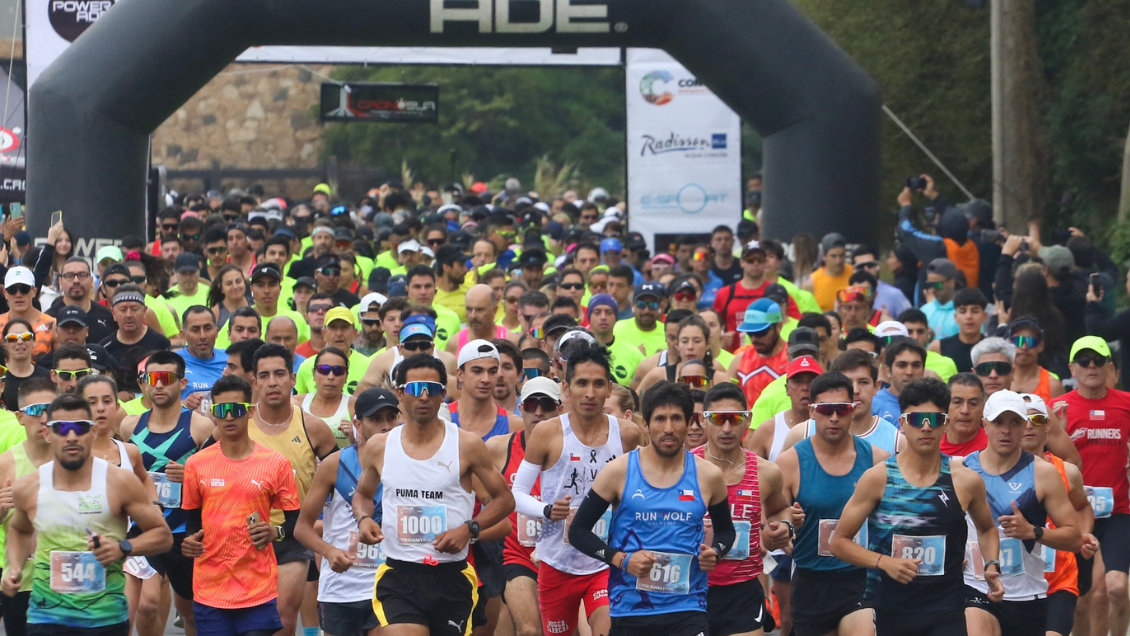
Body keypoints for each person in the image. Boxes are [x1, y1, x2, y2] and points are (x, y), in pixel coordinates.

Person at [350, 353, 516, 636]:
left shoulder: (467, 445)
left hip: (452, 575)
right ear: (400, 394)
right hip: (399, 575)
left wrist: (469, 529)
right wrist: (364, 518)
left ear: (443, 395)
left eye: (433, 388)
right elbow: (363, 495)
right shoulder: (380, 446)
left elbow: (505, 500)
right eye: (416, 388)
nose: (424, 396)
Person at [830, 378, 1005, 636]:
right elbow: (839, 542)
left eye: (934, 420)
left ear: (945, 424)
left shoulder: (965, 480)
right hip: (891, 607)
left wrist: (991, 565)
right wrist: (885, 562)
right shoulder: (878, 478)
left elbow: (988, 528)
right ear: (902, 424)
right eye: (916, 419)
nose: (925, 427)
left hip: (947, 608)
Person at [567, 380, 735, 636]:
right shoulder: (619, 471)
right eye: (659, 419)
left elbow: (726, 532)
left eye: (676, 418)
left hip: (688, 607)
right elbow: (578, 531)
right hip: (631, 609)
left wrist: (716, 553)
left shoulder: (708, 476)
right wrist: (621, 560)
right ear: (645, 424)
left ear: (690, 422)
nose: (668, 428)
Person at [3, 393, 172, 636]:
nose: (71, 436)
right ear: (47, 433)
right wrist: (15, 568)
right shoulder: (29, 487)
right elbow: (19, 529)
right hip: (46, 616)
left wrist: (123, 547)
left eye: (80, 427)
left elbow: (163, 537)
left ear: (92, 432)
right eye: (61, 427)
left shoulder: (119, 482)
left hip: (105, 618)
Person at [510, 343, 642, 636]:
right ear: (567, 389)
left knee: (607, 628)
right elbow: (515, 494)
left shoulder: (629, 434)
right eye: (582, 383)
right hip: (557, 562)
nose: (590, 393)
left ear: (609, 388)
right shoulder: (547, 433)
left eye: (598, 384)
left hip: (608, 560)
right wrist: (547, 510)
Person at [180, 375, 300, 636]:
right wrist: (189, 542)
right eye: (222, 411)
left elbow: (296, 522)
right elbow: (191, 523)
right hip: (210, 586)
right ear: (213, 414)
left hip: (257, 586)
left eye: (237, 410)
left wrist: (274, 532)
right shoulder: (196, 464)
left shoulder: (275, 463)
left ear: (250, 412)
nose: (229, 417)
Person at [776, 372, 891, 636]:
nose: (835, 418)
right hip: (812, 580)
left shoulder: (877, 460)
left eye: (842, 409)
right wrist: (783, 527)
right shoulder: (790, 462)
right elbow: (774, 513)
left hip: (861, 579)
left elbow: (891, 520)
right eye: (827, 410)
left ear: (853, 410)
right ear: (812, 411)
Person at [961, 390, 1082, 636]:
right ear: (985, 424)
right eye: (998, 422)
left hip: (1027, 595)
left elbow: (1074, 538)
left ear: (1024, 425)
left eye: (1014, 422)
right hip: (975, 588)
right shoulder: (963, 469)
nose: (1006, 430)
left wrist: (1033, 532)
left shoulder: (1043, 474)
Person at [114, 351, 212, 636]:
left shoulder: (200, 426)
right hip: (144, 528)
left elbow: (217, 478)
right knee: (146, 604)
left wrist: (191, 476)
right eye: (150, 378)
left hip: (186, 532)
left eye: (165, 379)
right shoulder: (130, 425)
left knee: (191, 612)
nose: (157, 385)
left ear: (182, 383)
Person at [293, 388, 400, 636]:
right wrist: (329, 552)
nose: (386, 427)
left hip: (392, 586)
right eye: (376, 419)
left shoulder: (413, 463)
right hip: (342, 587)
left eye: (391, 418)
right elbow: (302, 527)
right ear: (358, 424)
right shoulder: (335, 464)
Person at [246, 344, 337, 636]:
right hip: (245, 535)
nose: (272, 382)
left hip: (292, 535)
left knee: (283, 618)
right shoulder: (239, 423)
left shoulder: (313, 427)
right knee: (247, 620)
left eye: (279, 374)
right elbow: (205, 465)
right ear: (254, 381)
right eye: (265, 375)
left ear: (293, 378)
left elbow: (342, 475)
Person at [693, 382, 793, 636]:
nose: (726, 428)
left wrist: (783, 527)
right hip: (693, 588)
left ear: (747, 420)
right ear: (703, 421)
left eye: (735, 418)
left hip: (742, 589)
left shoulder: (766, 472)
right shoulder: (685, 468)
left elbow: (780, 510)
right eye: (717, 418)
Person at [1050, 335, 1130, 636]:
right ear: (1073, 368)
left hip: (1117, 512)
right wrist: (1054, 432)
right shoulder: (1056, 408)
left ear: (1110, 366)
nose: (1092, 366)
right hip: (1072, 513)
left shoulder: (1126, 404)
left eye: (1098, 360)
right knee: (1082, 600)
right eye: (1084, 361)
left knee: (1115, 588)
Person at [1017, 393, 1099, 636]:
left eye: (1038, 420)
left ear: (1048, 425)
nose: (1030, 426)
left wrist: (1082, 536)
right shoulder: (994, 472)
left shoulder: (1068, 471)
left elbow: (1083, 507)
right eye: (1022, 420)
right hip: (1015, 582)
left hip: (1061, 579)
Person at [485, 376, 561, 636]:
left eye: (547, 404)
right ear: (520, 409)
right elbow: (472, 495)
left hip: (565, 555)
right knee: (530, 630)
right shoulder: (498, 448)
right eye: (531, 405)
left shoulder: (575, 450)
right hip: (516, 554)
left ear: (560, 409)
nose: (538, 412)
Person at [0, 378, 58, 636]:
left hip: (68, 581)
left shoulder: (75, 458)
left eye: (50, 409)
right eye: (35, 411)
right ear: (21, 417)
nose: (44, 418)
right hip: (21, 579)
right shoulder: (6, 464)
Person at [780, 349, 903, 455]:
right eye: (848, 383)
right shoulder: (801, 434)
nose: (855, 390)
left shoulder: (895, 441)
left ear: (876, 387)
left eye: (863, 382)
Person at [714, 241, 799, 342]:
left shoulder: (775, 292)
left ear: (765, 262)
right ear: (741, 262)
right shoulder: (725, 293)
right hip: (730, 354)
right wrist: (721, 336)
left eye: (760, 259)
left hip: (764, 352)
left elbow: (795, 322)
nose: (755, 263)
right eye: (750, 259)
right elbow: (713, 324)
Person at [747, 355, 821, 462]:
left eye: (811, 381)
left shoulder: (832, 425)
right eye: (798, 381)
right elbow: (753, 474)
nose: (805, 388)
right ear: (787, 389)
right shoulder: (768, 430)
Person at [100, 284, 171, 396]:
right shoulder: (105, 348)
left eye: (134, 309)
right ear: (113, 313)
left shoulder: (160, 343)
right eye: (123, 309)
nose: (129, 315)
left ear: (144, 312)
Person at [295, 308, 372, 396]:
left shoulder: (369, 366)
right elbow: (298, 403)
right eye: (333, 327)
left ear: (354, 333)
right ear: (324, 333)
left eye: (344, 327)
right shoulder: (307, 366)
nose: (339, 333)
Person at [729, 298, 788, 407]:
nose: (754, 338)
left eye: (761, 332)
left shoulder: (792, 359)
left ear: (779, 326)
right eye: (750, 333)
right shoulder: (739, 360)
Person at [45, 257, 117, 344]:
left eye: (82, 275)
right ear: (60, 282)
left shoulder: (108, 317)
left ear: (91, 280)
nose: (76, 280)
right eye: (69, 276)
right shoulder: (48, 319)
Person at [294, 346, 355, 448]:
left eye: (338, 371)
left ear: (346, 377)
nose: (330, 376)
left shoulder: (355, 407)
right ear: (313, 374)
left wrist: (354, 438)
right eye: (324, 370)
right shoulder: (296, 404)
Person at [0, 266, 56, 361]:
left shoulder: (51, 324)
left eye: (24, 289)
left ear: (34, 292)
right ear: (5, 293)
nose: (18, 295)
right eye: (12, 290)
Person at [929, 287, 987, 373]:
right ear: (955, 317)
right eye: (963, 311)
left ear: (985, 316)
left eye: (975, 311)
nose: (969, 316)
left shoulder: (992, 348)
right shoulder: (938, 347)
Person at [1007, 318, 1064, 403]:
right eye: (1018, 341)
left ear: (1040, 346)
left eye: (1030, 341)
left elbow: (1060, 416)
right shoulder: (999, 379)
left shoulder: (1053, 385)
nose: (1024, 347)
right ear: (1009, 344)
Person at [448, 285, 516, 356]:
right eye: (469, 309)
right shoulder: (454, 343)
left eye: (480, 310)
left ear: (494, 310)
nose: (473, 315)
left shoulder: (511, 341)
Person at [871, 337, 926, 423]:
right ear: (888, 371)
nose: (909, 372)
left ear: (923, 370)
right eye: (902, 365)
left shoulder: (933, 405)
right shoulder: (873, 404)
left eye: (916, 365)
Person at [178, 307, 228, 403]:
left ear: (217, 332)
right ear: (183, 334)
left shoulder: (230, 359)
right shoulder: (173, 362)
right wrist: (183, 404)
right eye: (195, 330)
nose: (203, 336)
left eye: (207, 328)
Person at [893, 312, 958, 381]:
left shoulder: (947, 364)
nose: (915, 337)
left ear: (927, 334)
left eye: (920, 332)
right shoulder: (888, 364)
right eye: (909, 332)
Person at [3, 320, 52, 411]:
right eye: (12, 338)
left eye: (26, 337)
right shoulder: (1, 376)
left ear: (34, 342)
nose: (20, 342)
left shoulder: (47, 377)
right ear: (5, 344)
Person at [941, 373, 989, 458]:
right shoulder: (931, 443)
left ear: (983, 407)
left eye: (973, 404)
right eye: (957, 402)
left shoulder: (992, 448)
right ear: (945, 405)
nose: (965, 411)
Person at [614, 282, 667, 357]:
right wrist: (633, 354)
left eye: (653, 305)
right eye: (641, 304)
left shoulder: (666, 332)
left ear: (660, 307)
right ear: (632, 305)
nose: (647, 311)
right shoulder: (619, 329)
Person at [921, 258, 960, 341]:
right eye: (930, 285)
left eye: (937, 285)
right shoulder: (925, 310)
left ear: (951, 283)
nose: (932, 289)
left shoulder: (965, 312)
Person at [166, 254, 210, 320]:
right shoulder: (164, 299)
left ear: (199, 271)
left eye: (192, 272)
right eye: (183, 273)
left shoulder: (211, 294)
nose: (188, 277)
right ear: (175, 273)